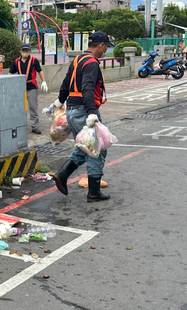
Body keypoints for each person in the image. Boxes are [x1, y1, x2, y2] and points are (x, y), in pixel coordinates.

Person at [51, 32, 114, 201]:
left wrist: (60, 101)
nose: (106, 50)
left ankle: (63, 174)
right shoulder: (92, 63)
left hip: (73, 109)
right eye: (106, 47)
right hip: (84, 111)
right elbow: (87, 88)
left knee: (86, 147)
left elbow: (66, 83)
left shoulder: (78, 59)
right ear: (101, 45)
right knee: (95, 150)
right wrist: (92, 113)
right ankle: (93, 192)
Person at [9, 43, 48, 134]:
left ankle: (35, 126)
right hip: (20, 87)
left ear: (30, 51)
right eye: (23, 50)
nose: (25, 52)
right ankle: (20, 125)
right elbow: (11, 73)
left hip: (32, 86)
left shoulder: (34, 61)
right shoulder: (16, 62)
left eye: (27, 50)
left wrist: (44, 81)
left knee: (33, 106)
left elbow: (40, 71)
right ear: (20, 51)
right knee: (19, 107)